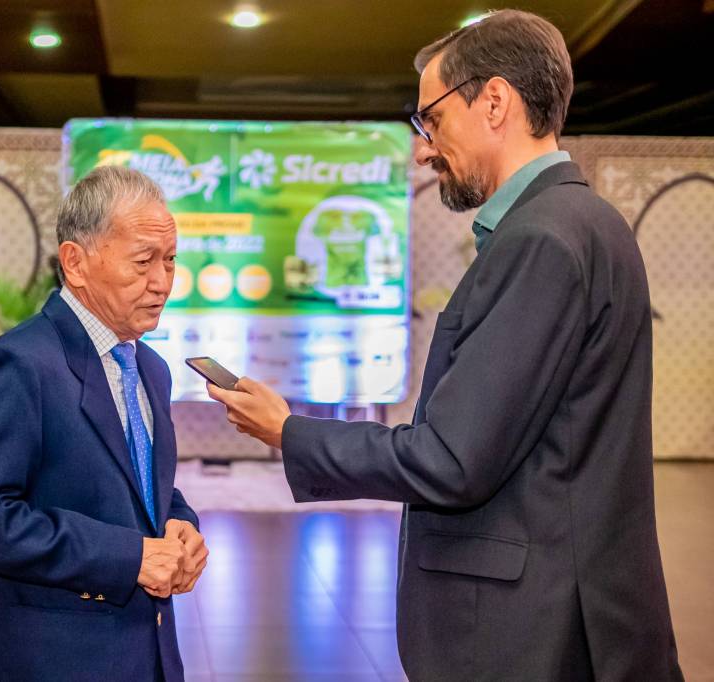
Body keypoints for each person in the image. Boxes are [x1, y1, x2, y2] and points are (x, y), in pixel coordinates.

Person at [207, 10, 682, 681]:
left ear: (495, 102)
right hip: (574, 605)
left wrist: (290, 432)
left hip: (530, 630)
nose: (423, 150)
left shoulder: (540, 240)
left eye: (431, 120)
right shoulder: (589, 222)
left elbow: (453, 461)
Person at [0, 166, 207, 682]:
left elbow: (140, 486)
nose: (162, 282)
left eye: (171, 260)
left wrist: (182, 524)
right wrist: (127, 556)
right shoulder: (21, 364)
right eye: (143, 262)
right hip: (59, 659)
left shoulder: (150, 367)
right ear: (75, 262)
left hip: (150, 653)